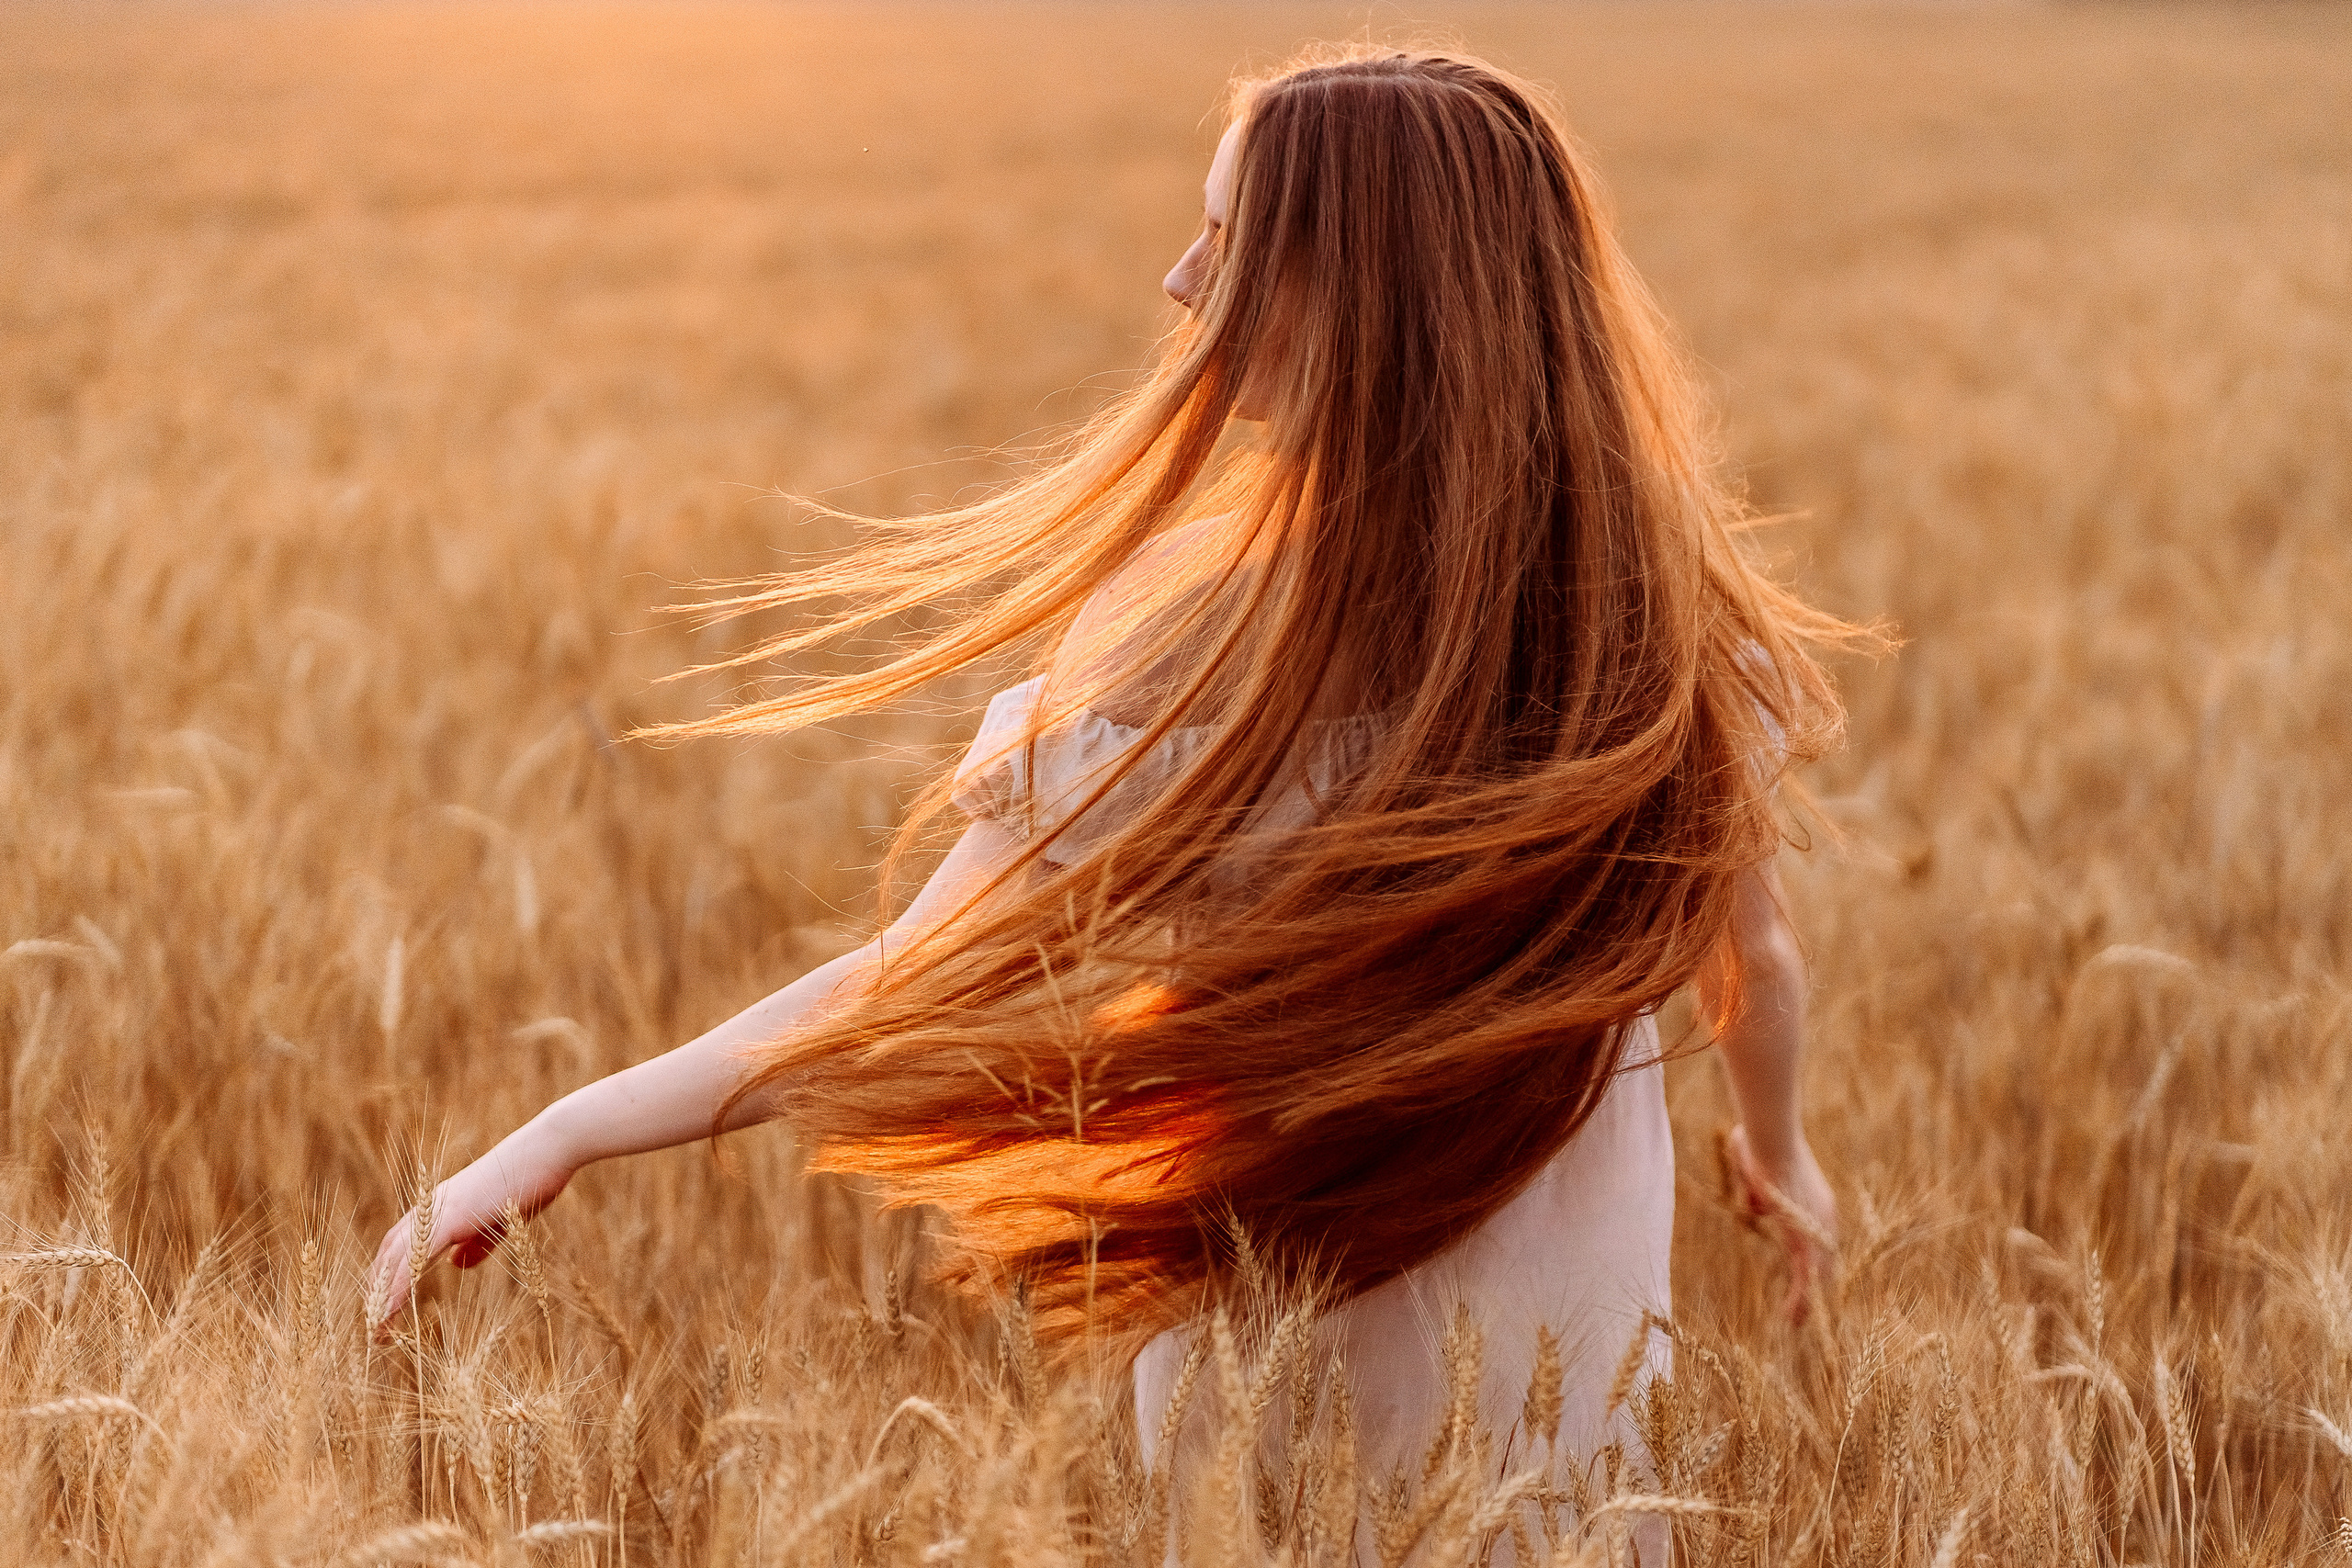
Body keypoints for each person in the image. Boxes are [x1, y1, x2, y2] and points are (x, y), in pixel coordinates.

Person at [369, 43, 1852, 1562]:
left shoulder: (1182, 643)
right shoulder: (1642, 624)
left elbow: (902, 986)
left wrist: (556, 1133)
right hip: (1565, 1387)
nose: (1176, 278)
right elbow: (1762, 961)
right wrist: (1779, 1149)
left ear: (1367, 295)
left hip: (1268, 1371)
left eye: (1230, 240)